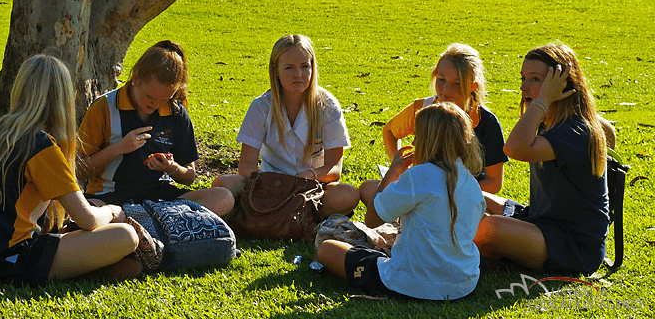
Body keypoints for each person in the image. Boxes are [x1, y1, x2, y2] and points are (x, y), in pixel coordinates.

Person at [0, 55, 140, 286]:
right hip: (6, 261)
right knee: (125, 236)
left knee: (120, 255)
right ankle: (76, 274)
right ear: (63, 99)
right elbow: (89, 220)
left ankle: (79, 269)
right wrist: (112, 210)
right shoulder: (39, 145)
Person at [317, 102, 486, 301]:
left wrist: (392, 173)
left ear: (428, 140)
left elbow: (372, 219)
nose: (414, 143)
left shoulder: (419, 175)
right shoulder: (472, 183)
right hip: (464, 285)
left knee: (327, 249)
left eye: (417, 136)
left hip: (410, 283)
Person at [473, 43, 613, 274]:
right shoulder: (557, 123)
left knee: (489, 227)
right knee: (469, 192)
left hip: (571, 245)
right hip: (540, 219)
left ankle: (428, 242)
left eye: (535, 80)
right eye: (523, 78)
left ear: (561, 84)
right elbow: (608, 131)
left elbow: (514, 148)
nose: (524, 87)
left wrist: (543, 100)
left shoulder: (576, 131)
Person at [77, 40, 234, 216]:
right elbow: (78, 169)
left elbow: (189, 177)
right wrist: (119, 148)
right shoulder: (104, 107)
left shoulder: (176, 112)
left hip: (161, 200)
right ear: (135, 79)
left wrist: (170, 167)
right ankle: (157, 223)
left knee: (223, 197)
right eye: (150, 97)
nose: (156, 104)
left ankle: (142, 222)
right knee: (92, 212)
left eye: (164, 99)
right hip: (110, 197)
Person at [212, 34, 358, 218]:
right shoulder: (261, 106)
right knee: (223, 184)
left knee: (348, 194)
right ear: (276, 71)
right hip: (268, 184)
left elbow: (334, 168)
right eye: (289, 68)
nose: (298, 74)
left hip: (312, 186)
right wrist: (272, 183)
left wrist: (310, 175)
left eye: (305, 66)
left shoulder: (327, 105)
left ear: (313, 67)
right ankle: (298, 216)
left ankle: (271, 214)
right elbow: (246, 164)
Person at [380, 43, 508, 194]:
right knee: (368, 188)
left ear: (473, 86)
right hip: (422, 189)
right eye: (441, 79)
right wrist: (398, 168)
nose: (446, 89)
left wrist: (451, 196)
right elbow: (389, 131)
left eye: (457, 83)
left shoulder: (486, 123)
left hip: (463, 198)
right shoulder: (423, 108)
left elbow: (494, 182)